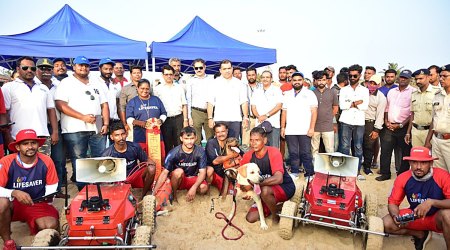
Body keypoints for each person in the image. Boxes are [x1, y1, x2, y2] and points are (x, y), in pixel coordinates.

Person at [55, 56, 109, 190]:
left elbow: (104, 105)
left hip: (97, 127)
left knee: (99, 157)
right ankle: (83, 190)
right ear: (74, 66)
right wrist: (82, 117)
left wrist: (106, 124)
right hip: (75, 129)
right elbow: (60, 104)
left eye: (86, 65)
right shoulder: (66, 83)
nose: (83, 68)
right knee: (79, 160)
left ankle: (98, 187)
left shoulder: (96, 83)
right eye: (80, 65)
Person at [0, 129, 59, 250]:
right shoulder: (6, 161)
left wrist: (47, 201)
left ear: (38, 145)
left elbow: (52, 186)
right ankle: (8, 242)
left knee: (50, 225)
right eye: (25, 143)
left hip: (36, 202)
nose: (30, 147)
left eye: (33, 143)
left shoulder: (46, 160)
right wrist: (14, 192)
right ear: (17, 147)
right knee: (2, 203)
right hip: (13, 203)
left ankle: (30, 219)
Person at [382, 146, 450, 250]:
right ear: (409, 163)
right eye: (414, 162)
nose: (418, 167)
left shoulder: (442, 176)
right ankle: (419, 234)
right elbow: (393, 203)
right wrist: (395, 216)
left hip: (437, 218)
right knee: (386, 223)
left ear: (431, 163)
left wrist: (432, 202)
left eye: (423, 163)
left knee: (448, 215)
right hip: (415, 216)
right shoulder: (403, 177)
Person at [2, 56, 58, 156]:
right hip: (18, 137)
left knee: (43, 167)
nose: (29, 70)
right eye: (25, 68)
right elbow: (4, 113)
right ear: (18, 69)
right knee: (19, 169)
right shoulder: (8, 87)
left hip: (41, 136)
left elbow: (51, 110)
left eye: (32, 68)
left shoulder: (43, 88)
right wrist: (7, 135)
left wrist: (55, 132)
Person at [240, 127, 295, 223]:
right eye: (251, 140)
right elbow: (240, 174)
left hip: (284, 187)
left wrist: (254, 185)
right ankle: (277, 206)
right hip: (262, 190)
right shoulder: (248, 156)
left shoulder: (274, 152)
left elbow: (279, 179)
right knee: (251, 218)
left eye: (257, 140)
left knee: (265, 191)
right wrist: (244, 189)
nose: (253, 143)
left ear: (265, 140)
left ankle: (275, 216)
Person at [101, 123, 156, 199]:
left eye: (123, 134)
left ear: (126, 134)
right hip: (118, 179)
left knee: (151, 168)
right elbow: (104, 176)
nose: (121, 138)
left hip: (133, 176)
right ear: (112, 137)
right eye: (117, 135)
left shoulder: (135, 147)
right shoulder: (107, 154)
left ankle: (143, 196)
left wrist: (151, 162)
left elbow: (146, 160)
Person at [34, 58, 66, 190]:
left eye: (48, 69)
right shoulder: (32, 85)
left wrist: (55, 131)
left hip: (55, 127)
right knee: (40, 160)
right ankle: (42, 189)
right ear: (37, 70)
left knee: (58, 160)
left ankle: (57, 188)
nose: (46, 71)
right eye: (42, 68)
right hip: (38, 128)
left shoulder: (58, 85)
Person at [377, 69, 414, 181]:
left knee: (404, 153)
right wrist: (386, 121)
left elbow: (412, 113)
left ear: (409, 79)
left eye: (406, 78)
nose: (403, 79)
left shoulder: (413, 92)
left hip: (403, 128)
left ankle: (402, 175)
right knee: (385, 151)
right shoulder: (392, 91)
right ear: (398, 78)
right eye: (401, 77)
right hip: (389, 126)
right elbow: (386, 107)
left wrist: (401, 125)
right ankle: (385, 173)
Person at [153, 126, 208, 202]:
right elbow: (164, 173)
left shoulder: (200, 151)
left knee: (203, 188)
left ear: (196, 138)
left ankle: (193, 191)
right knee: (178, 171)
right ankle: (174, 194)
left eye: (191, 138)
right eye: (186, 139)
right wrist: (153, 193)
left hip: (193, 177)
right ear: (181, 138)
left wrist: (194, 188)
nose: (189, 142)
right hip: (179, 180)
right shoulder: (174, 152)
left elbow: (202, 172)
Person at [281, 71, 317, 179]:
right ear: (291, 81)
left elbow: (314, 112)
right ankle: (295, 172)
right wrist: (283, 127)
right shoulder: (287, 94)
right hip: (291, 129)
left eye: (299, 80)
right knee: (293, 152)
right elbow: (284, 112)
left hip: (305, 129)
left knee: (305, 153)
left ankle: (309, 173)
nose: (297, 82)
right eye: (294, 80)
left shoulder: (310, 94)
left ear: (303, 81)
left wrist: (312, 128)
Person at [338, 64, 369, 180]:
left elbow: (365, 106)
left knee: (358, 147)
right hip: (346, 121)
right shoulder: (344, 90)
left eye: (355, 75)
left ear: (360, 75)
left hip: (359, 122)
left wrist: (350, 103)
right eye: (350, 75)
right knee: (345, 146)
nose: (352, 77)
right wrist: (356, 103)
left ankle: (356, 171)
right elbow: (342, 106)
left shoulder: (365, 90)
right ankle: (345, 171)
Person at [207, 60, 249, 139]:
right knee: (220, 146)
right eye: (224, 69)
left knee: (233, 145)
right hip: (220, 119)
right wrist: (210, 118)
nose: (227, 71)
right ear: (220, 70)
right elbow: (210, 102)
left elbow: (244, 102)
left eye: (229, 68)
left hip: (235, 119)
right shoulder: (213, 84)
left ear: (232, 69)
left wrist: (245, 117)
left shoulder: (240, 84)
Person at [126, 79, 166, 155]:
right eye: (142, 88)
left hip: (156, 137)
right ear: (137, 88)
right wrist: (142, 123)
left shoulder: (156, 99)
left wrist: (161, 120)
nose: (145, 91)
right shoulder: (132, 102)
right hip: (140, 136)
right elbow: (129, 119)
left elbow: (164, 113)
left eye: (147, 89)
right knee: (143, 161)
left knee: (158, 160)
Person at [154, 65, 188, 155]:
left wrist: (185, 120)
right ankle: (169, 164)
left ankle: (180, 163)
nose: (168, 76)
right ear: (163, 75)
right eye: (166, 74)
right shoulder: (157, 89)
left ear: (173, 75)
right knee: (167, 143)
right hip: (165, 120)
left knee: (179, 142)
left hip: (178, 118)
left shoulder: (179, 88)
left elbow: (184, 104)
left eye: (170, 74)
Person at [425, 64, 450, 171]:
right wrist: (428, 140)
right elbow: (434, 119)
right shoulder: (437, 95)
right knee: (439, 174)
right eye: (440, 76)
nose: (441, 79)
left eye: (445, 76)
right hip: (436, 140)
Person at [406, 69, 440, 147]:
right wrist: (408, 132)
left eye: (421, 79)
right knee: (417, 157)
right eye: (416, 79)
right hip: (416, 132)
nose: (418, 81)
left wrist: (429, 138)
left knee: (431, 157)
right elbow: (412, 114)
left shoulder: (437, 93)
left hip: (430, 132)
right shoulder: (414, 94)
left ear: (428, 77)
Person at [362, 74, 386, 175]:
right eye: (370, 83)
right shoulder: (363, 92)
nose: (371, 85)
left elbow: (380, 115)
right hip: (359, 121)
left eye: (374, 84)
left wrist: (376, 130)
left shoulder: (381, 97)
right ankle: (358, 164)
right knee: (358, 144)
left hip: (370, 123)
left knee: (369, 145)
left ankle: (367, 166)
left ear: (379, 85)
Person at [251, 70, 283, 148]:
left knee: (273, 148)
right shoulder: (256, 91)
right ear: (261, 79)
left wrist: (266, 115)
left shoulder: (277, 90)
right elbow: (253, 107)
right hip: (259, 124)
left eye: (267, 77)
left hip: (273, 124)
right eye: (263, 77)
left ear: (271, 79)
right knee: (259, 148)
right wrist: (259, 117)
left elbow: (279, 106)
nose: (265, 79)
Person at [186, 58, 214, 145]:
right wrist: (189, 117)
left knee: (211, 138)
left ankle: (211, 157)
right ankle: (197, 158)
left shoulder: (211, 80)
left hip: (209, 112)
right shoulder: (190, 81)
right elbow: (188, 99)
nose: (198, 70)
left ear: (205, 67)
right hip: (195, 112)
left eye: (200, 67)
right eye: (196, 68)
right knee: (195, 139)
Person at [311, 71, 338, 156]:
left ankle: (330, 169)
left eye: (323, 80)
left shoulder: (332, 92)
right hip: (314, 126)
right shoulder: (311, 93)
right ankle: (314, 168)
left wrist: (329, 117)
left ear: (327, 80)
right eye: (319, 80)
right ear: (315, 81)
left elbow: (335, 107)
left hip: (328, 126)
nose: (321, 82)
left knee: (330, 149)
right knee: (314, 149)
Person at [97, 58, 122, 131]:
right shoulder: (94, 82)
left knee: (115, 141)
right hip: (99, 120)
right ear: (100, 69)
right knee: (100, 139)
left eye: (110, 69)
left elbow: (118, 103)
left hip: (114, 119)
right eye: (105, 69)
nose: (108, 71)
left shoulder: (116, 84)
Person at [119, 65, 143, 135]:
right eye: (134, 73)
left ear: (141, 74)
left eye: (138, 73)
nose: (137, 75)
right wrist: (124, 123)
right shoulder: (125, 89)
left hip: (145, 120)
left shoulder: (147, 87)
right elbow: (122, 107)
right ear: (131, 75)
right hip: (131, 121)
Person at [242, 67, 261, 148]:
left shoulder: (262, 87)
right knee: (245, 144)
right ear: (246, 76)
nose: (251, 77)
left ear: (256, 75)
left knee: (259, 142)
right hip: (248, 118)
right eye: (249, 75)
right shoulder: (242, 87)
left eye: (253, 75)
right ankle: (246, 160)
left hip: (259, 119)